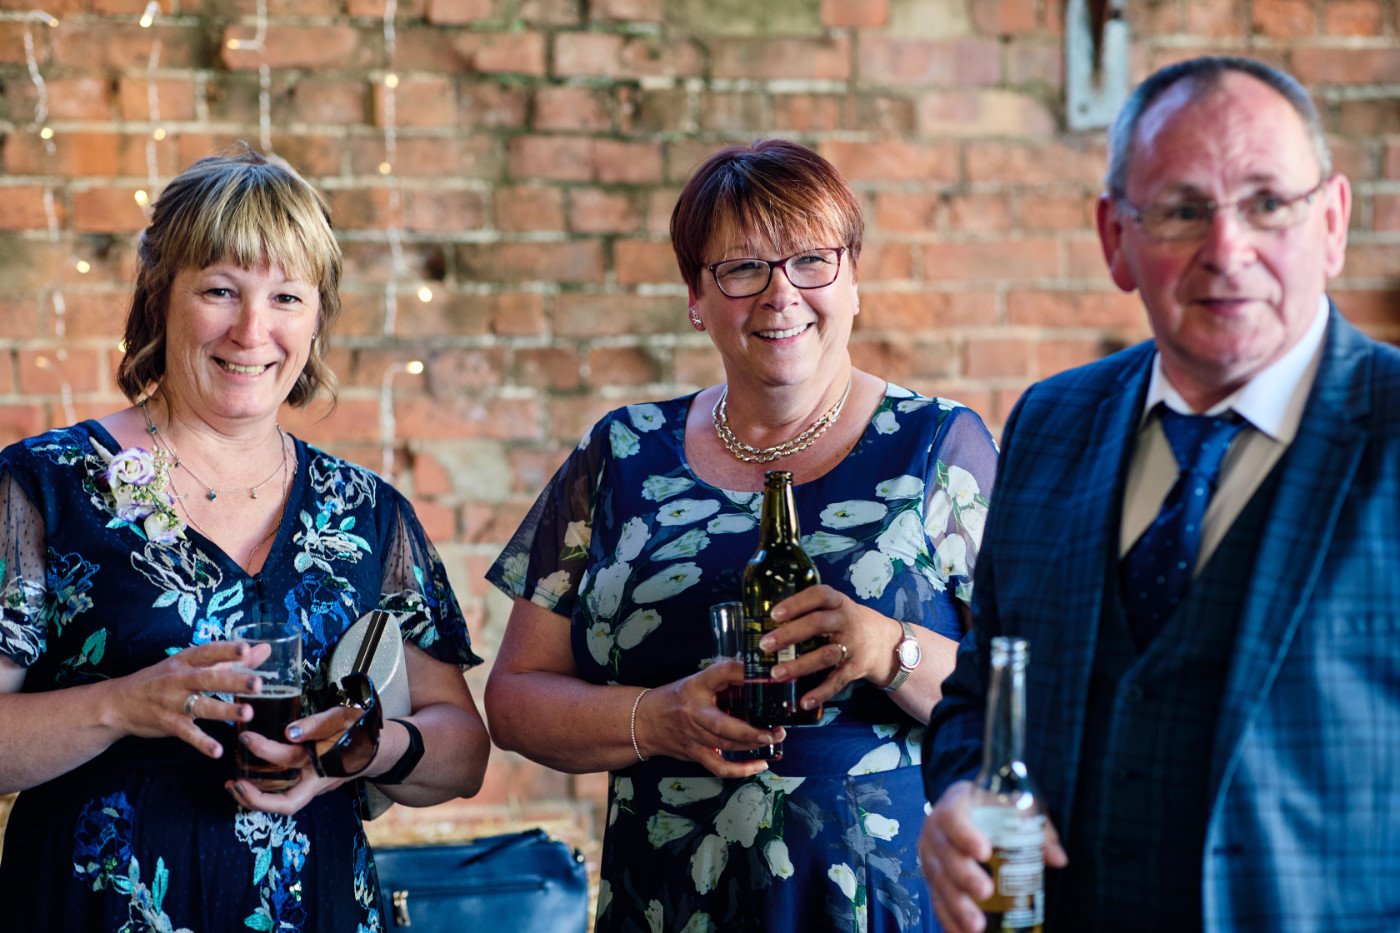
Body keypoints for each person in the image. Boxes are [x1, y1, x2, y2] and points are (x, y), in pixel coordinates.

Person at [920, 55, 1400, 932]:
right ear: (1115, 238)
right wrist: (957, 794)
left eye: (1267, 204)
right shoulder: (1049, 422)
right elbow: (978, 692)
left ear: (1332, 222)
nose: (1227, 249)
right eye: (1182, 210)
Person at [485, 138, 998, 932]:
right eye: (741, 268)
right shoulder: (621, 453)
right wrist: (655, 717)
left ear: (853, 278)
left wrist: (888, 648)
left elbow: (1027, 696)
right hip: (666, 898)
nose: (779, 294)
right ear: (696, 296)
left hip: (878, 901)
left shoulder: (939, 447)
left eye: (810, 261)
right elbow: (515, 698)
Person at [0, 147, 490, 930]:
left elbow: (463, 750)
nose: (253, 330)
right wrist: (124, 705)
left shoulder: (366, 511)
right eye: (221, 290)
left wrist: (359, 751)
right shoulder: (44, 486)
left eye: (287, 296)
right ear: (162, 297)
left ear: (318, 315)